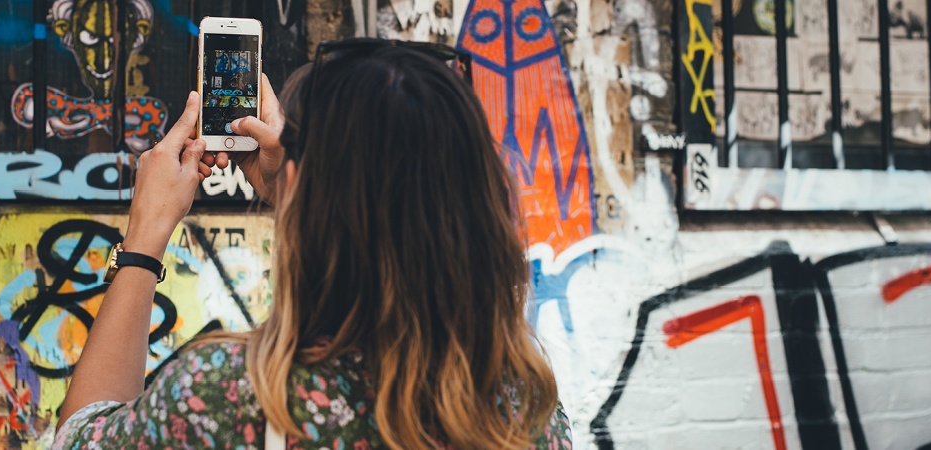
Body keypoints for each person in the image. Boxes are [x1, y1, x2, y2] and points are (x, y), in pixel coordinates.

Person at [54, 41, 572, 449]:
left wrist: (145, 236)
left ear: (298, 182)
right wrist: (301, 192)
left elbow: (79, 435)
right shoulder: (524, 410)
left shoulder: (228, 400)